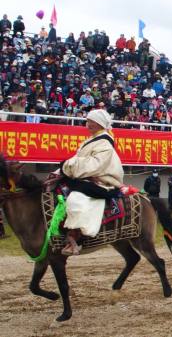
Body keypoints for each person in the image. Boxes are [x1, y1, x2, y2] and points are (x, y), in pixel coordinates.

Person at [60, 109, 124, 255]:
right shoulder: (92, 140)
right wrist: (65, 167)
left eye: (90, 121)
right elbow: (80, 161)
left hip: (102, 181)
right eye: (87, 121)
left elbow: (94, 165)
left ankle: (76, 236)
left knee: (76, 199)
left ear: (99, 123)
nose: (87, 124)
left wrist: (69, 165)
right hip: (87, 176)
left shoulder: (104, 143)